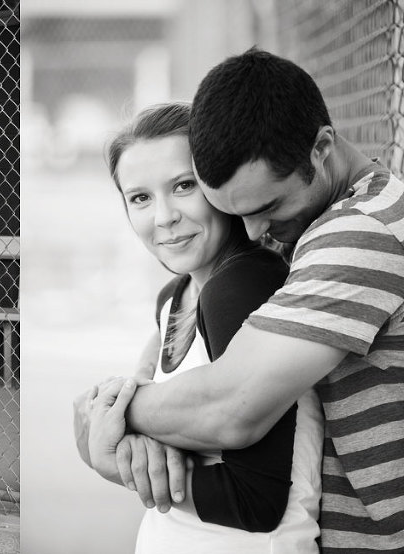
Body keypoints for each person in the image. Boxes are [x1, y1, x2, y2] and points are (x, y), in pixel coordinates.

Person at [93, 48, 404, 553]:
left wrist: (108, 420)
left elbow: (232, 409)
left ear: (321, 148)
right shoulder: (200, 285)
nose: (257, 231)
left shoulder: (358, 233)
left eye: (269, 206)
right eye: (140, 197)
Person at [76, 103, 323, 552]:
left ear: (219, 184)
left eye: (184, 186)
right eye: (140, 198)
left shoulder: (242, 284)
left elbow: (256, 500)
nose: (164, 216)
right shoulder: (175, 296)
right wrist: (126, 444)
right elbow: (126, 420)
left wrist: (123, 465)